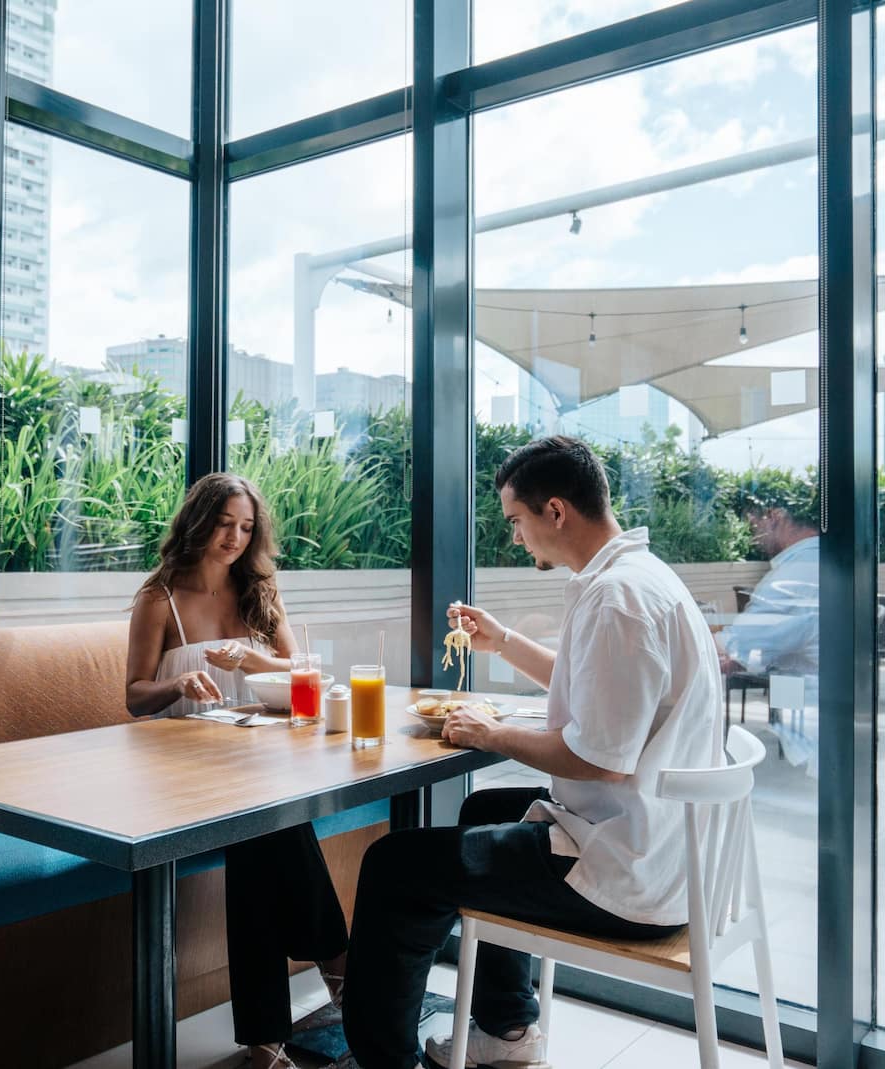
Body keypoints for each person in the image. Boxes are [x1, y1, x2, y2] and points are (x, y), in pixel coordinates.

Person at [338, 436, 723, 1069]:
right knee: (485, 807)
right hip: (658, 843)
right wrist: (503, 642)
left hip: (627, 874)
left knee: (392, 867)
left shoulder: (618, 599)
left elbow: (599, 758)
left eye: (516, 521)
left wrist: (490, 734)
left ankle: (384, 1060)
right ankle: (508, 1030)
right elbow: (597, 696)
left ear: (555, 511)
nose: (515, 538)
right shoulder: (638, 578)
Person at [125, 471, 348, 1069]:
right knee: (265, 823)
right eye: (225, 524)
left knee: (258, 829)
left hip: (256, 759)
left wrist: (253, 657)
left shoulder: (260, 590)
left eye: (246, 528)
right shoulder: (160, 598)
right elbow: (134, 695)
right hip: (180, 767)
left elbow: (300, 671)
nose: (235, 538)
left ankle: (265, 1041)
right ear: (198, 521)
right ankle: (338, 968)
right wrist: (175, 681)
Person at [717, 490, 821, 681]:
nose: (754, 539)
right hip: (826, 694)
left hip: (811, 700)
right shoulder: (822, 559)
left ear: (773, 516)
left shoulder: (794, 574)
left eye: (753, 527)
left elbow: (737, 646)